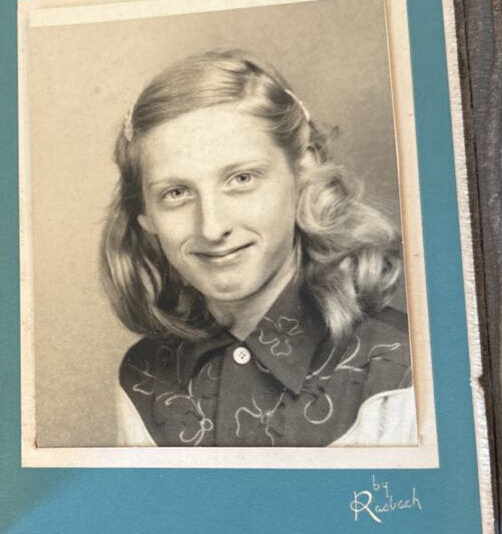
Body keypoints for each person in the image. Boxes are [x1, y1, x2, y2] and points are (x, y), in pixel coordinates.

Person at [100, 50, 416, 448]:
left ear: (303, 173)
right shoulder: (143, 377)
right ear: (145, 215)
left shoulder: (402, 375)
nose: (212, 228)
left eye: (241, 178)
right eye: (176, 193)